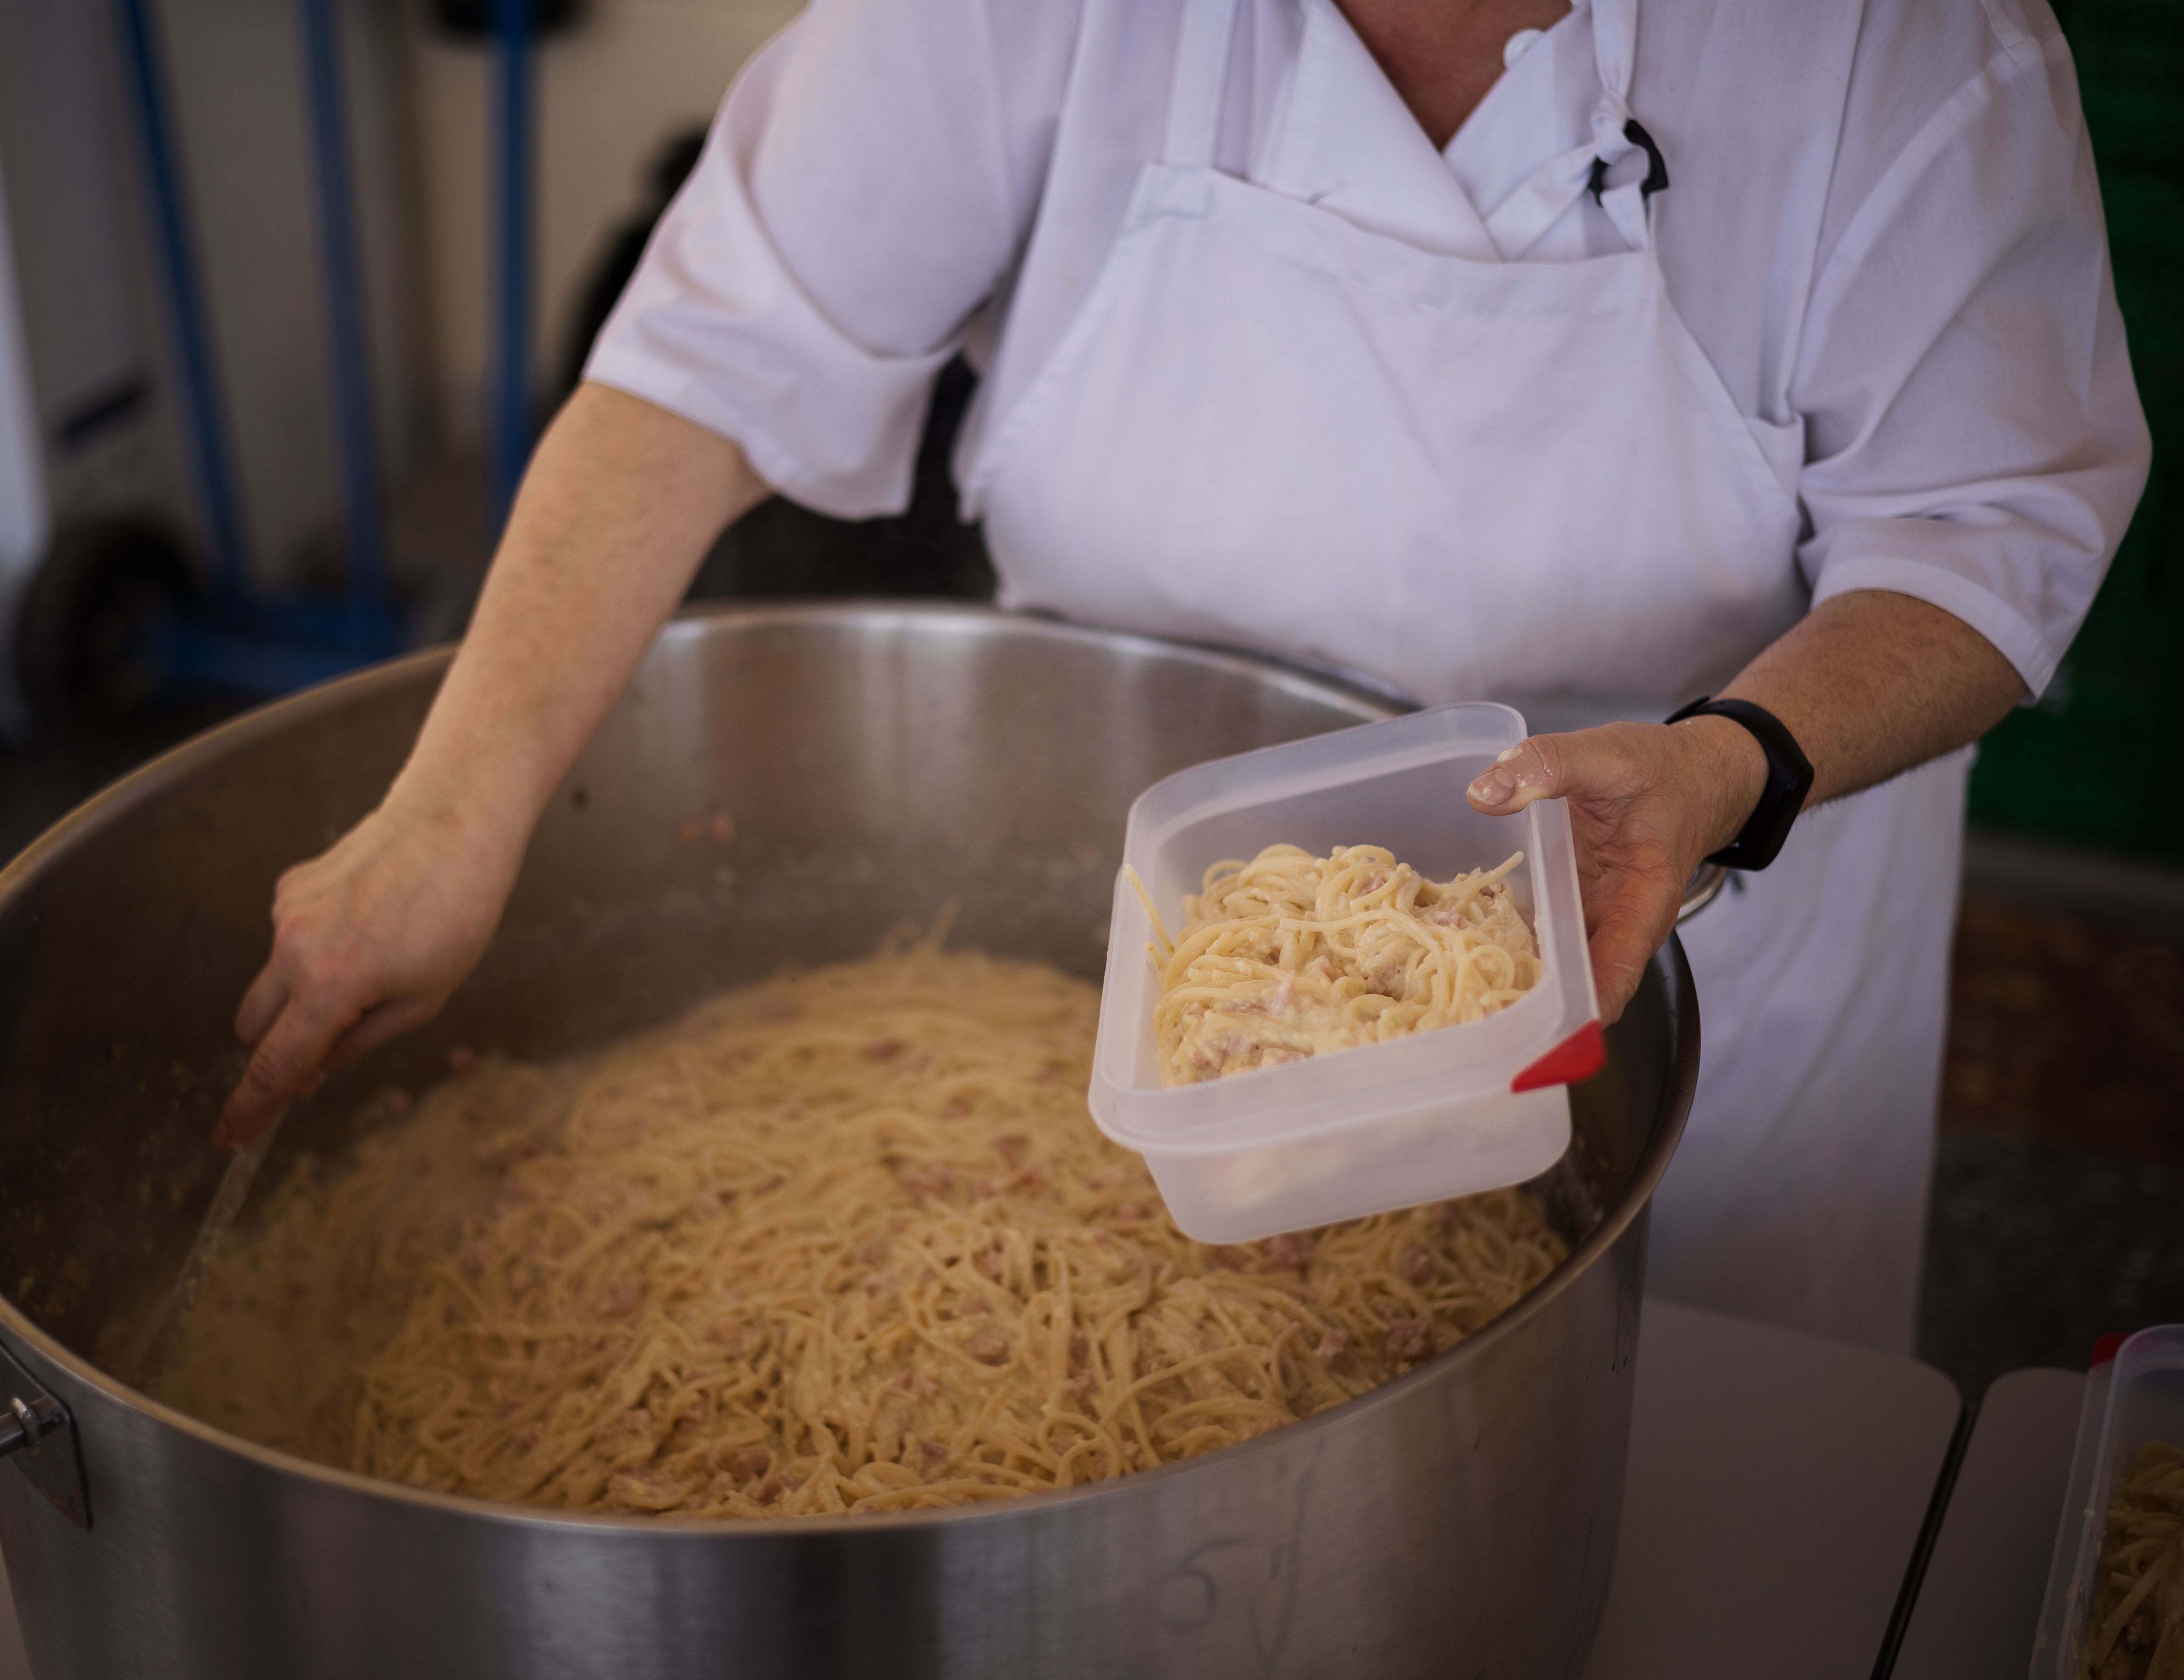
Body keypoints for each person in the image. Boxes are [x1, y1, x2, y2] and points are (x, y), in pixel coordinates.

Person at [217, 0, 2149, 1353]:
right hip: (1157, 1004)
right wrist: (447, 817)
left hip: (1693, 951)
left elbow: (1987, 526)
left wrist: (1735, 759)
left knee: (1701, 1512)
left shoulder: (1904, 48)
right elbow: (710, 366)